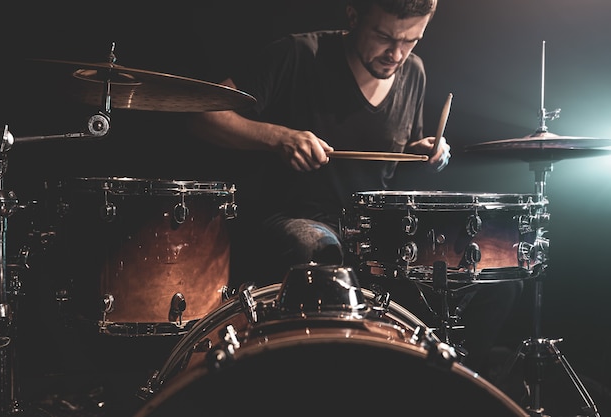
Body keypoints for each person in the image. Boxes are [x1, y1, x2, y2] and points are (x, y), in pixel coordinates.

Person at [186, 0, 522, 379]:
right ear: (352, 16)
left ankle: (444, 388)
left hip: (375, 232)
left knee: (490, 274)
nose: (396, 53)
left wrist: (421, 149)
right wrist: (277, 137)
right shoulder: (299, 54)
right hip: (295, 218)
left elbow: (397, 151)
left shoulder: (413, 71)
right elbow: (203, 114)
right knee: (318, 246)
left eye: (411, 40)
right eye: (384, 37)